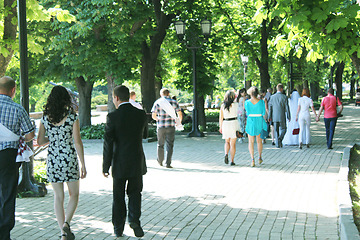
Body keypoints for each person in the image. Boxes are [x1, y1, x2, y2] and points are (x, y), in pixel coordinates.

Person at [37, 86, 86, 240]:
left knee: (58, 197)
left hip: (53, 159)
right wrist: (83, 164)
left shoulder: (45, 118)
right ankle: (67, 223)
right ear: (66, 99)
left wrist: (53, 139)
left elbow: (39, 141)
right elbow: (77, 142)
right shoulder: (72, 117)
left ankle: (62, 232)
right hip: (69, 158)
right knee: (74, 194)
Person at [102, 85, 148, 238]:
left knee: (118, 196)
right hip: (136, 160)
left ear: (116, 98)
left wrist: (105, 166)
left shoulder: (112, 117)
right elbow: (145, 134)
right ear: (128, 96)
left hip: (119, 161)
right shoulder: (141, 114)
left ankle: (118, 228)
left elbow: (108, 143)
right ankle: (134, 220)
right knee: (135, 193)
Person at [0, 76, 35, 240]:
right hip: (8, 156)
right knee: (8, 192)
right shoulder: (18, 109)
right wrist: (19, 137)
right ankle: (4, 232)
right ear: (13, 90)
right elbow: (30, 135)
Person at [151, 88, 182, 168]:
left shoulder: (157, 102)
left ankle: (160, 161)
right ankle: (168, 163)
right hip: (171, 126)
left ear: (161, 94)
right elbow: (180, 113)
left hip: (161, 126)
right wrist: (179, 121)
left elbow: (153, 115)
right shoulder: (174, 102)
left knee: (160, 144)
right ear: (168, 94)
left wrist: (158, 119)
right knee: (170, 144)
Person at [245, 86, 267, 167]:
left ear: (250, 94)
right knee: (259, 141)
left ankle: (252, 159)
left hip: (251, 121)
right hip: (259, 120)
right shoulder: (261, 102)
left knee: (251, 142)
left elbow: (247, 112)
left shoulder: (247, 102)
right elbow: (263, 112)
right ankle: (259, 157)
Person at [219, 91, 241, 165]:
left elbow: (221, 117)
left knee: (227, 142)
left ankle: (226, 153)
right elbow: (240, 114)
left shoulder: (223, 105)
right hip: (234, 123)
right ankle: (232, 160)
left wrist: (220, 127)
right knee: (233, 144)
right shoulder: (237, 105)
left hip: (225, 123)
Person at [268, 83, 291, 148]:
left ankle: (278, 143)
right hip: (282, 116)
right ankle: (280, 139)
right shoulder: (284, 97)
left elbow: (270, 108)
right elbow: (287, 107)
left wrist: (269, 117)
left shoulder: (272, 97)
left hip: (274, 116)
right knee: (284, 129)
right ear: (281, 89)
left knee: (276, 130)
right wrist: (289, 116)